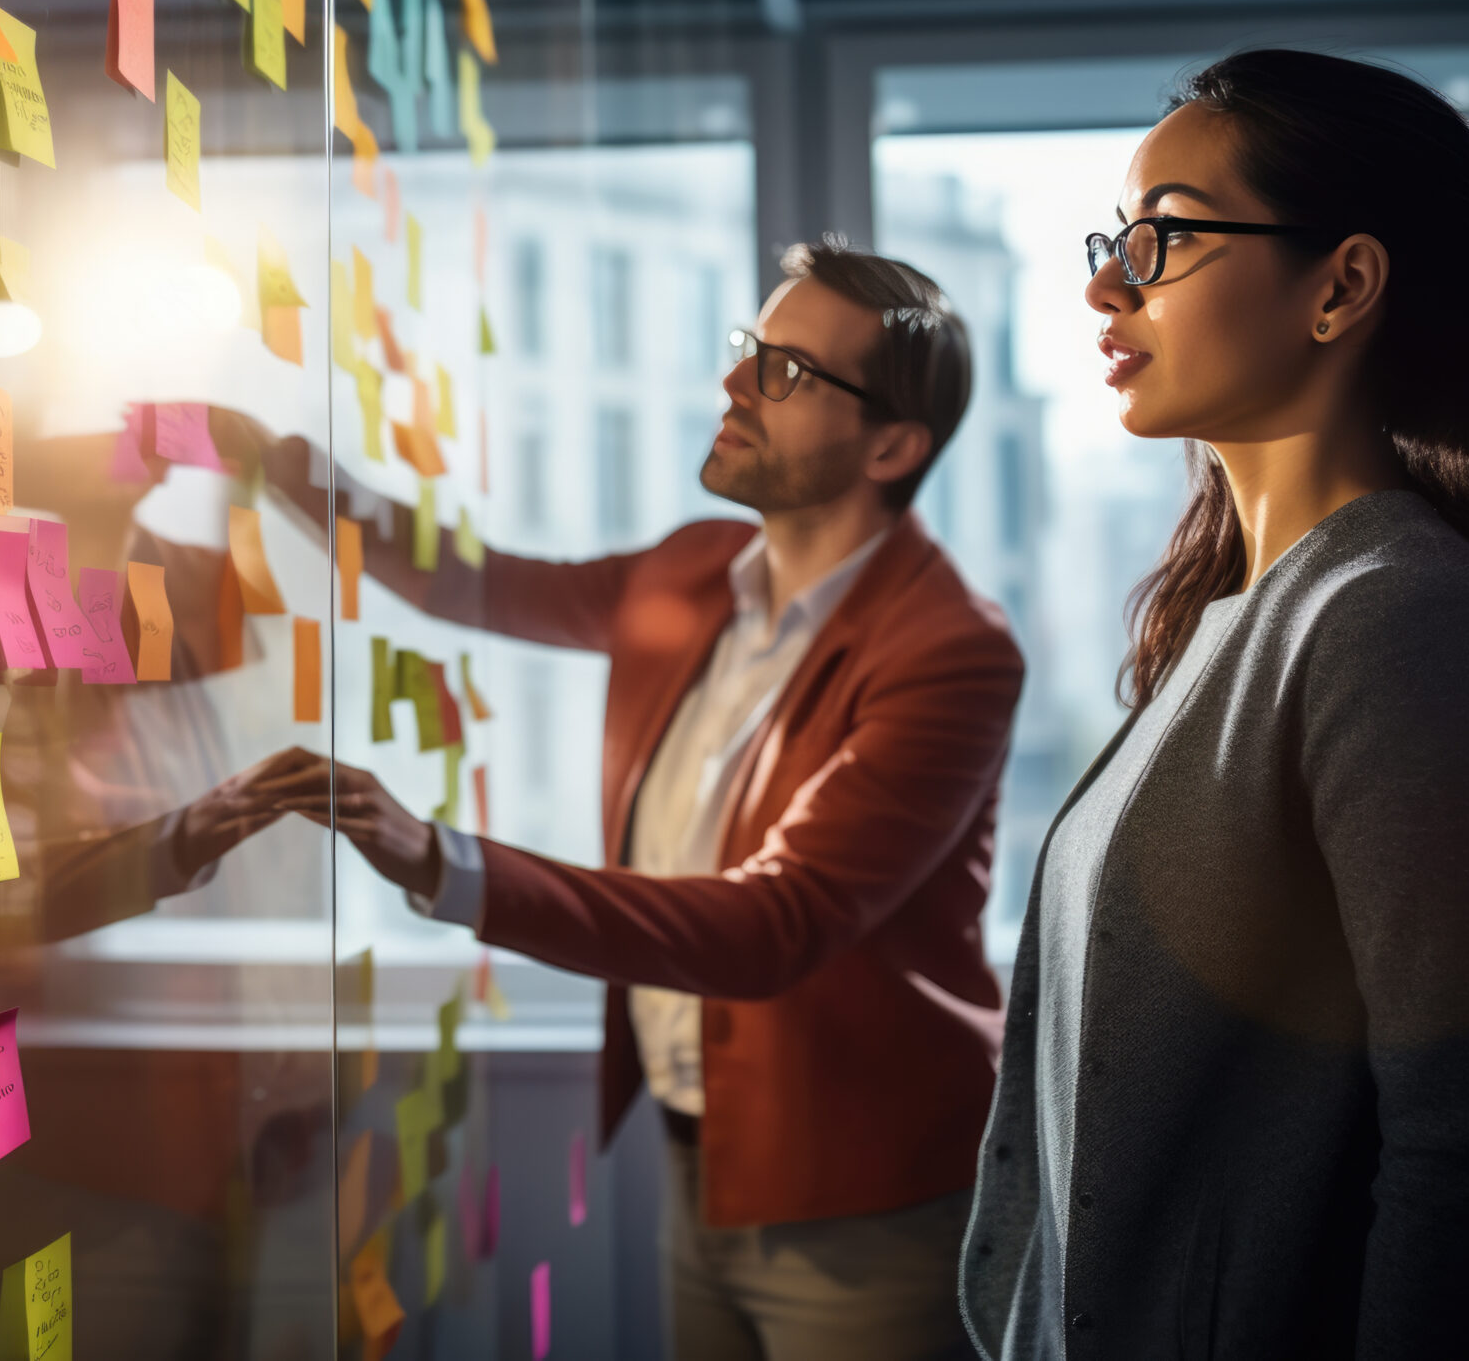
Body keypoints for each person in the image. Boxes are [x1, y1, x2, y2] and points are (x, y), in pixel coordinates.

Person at [958, 49, 1469, 1360]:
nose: (1106, 281)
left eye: (1165, 237)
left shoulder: (1404, 621)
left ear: (1342, 284)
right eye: (1119, 234)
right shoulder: (1234, 615)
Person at [250, 240, 1025, 1361]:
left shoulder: (949, 651)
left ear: (892, 445)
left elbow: (772, 924)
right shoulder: (688, 568)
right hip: (695, 1156)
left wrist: (439, 860)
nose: (734, 385)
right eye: (748, 350)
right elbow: (470, 580)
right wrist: (279, 463)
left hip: (870, 1195)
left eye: (787, 372)